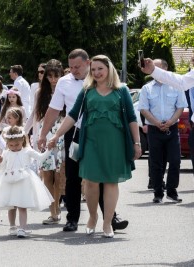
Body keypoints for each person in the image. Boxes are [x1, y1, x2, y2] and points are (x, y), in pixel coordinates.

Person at [48, 55, 141, 238]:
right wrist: (57, 135)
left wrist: (137, 143)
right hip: (90, 141)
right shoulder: (87, 90)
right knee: (91, 181)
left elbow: (131, 118)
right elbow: (73, 115)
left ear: (109, 69)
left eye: (100, 69)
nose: (97, 73)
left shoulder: (121, 90)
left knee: (111, 182)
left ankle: (107, 224)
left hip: (115, 143)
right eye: (94, 69)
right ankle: (92, 217)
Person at [0, 126, 54, 237]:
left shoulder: (27, 151)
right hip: (9, 182)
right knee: (11, 205)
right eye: (11, 145)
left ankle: (22, 228)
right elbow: (0, 168)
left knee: (22, 205)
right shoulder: (7, 153)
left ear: (22, 140)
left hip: (24, 182)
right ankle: (12, 226)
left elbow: (40, 158)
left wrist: (49, 150)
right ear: (7, 144)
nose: (14, 147)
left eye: (17, 145)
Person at [138, 59, 187, 203]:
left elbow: (180, 107)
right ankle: (158, 192)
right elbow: (143, 108)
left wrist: (171, 122)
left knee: (175, 160)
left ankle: (172, 191)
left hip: (171, 129)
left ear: (165, 69)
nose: (153, 70)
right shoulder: (147, 88)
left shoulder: (176, 86)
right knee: (156, 162)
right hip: (154, 129)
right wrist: (156, 123)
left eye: (156, 67)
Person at [25, 60, 66, 224]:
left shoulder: (65, 91)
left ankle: (57, 206)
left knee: (59, 175)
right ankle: (53, 211)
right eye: (50, 76)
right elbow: (35, 115)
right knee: (47, 175)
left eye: (56, 76)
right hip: (44, 134)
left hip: (61, 133)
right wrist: (25, 131)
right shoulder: (39, 93)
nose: (53, 79)